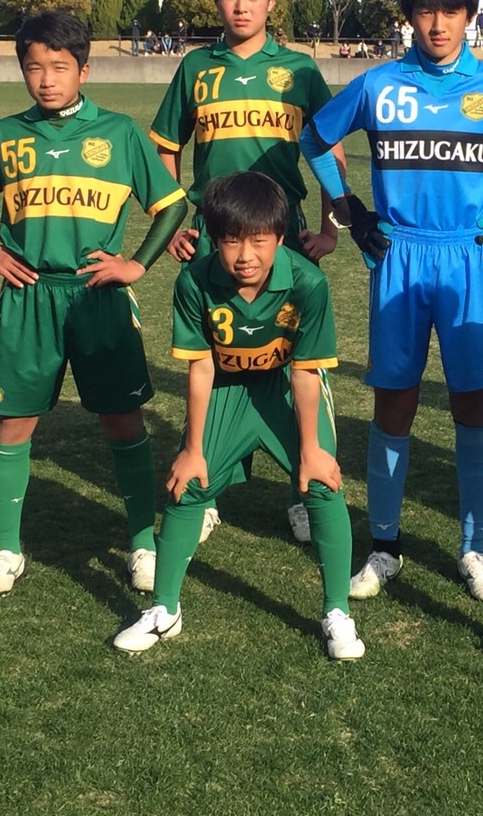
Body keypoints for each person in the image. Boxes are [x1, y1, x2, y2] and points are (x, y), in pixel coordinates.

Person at [299, 0, 483, 602]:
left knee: (472, 404)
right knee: (394, 402)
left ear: (470, 16)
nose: (438, 24)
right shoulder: (378, 85)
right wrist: (348, 209)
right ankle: (385, 546)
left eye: (452, 11)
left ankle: (474, 549)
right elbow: (313, 139)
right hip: (400, 254)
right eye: (425, 11)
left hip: (471, 258)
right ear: (409, 17)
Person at [0, 11, 188, 599]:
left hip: (98, 296)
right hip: (29, 296)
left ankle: (142, 544)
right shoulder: (7, 135)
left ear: (84, 69)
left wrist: (137, 264)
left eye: (59, 67)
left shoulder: (119, 133)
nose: (47, 79)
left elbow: (172, 205)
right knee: (12, 423)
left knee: (122, 419)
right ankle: (7, 551)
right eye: (34, 67)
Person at [112, 172, 364, 661]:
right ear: (213, 237)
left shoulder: (308, 282)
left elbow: (306, 372)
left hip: (284, 386)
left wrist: (312, 449)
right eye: (231, 240)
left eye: (259, 240)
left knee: (322, 483)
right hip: (227, 386)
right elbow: (202, 365)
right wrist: (191, 448)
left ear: (281, 237)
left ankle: (337, 612)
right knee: (188, 483)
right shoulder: (195, 279)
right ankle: (165, 609)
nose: (245, 255)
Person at [149, 0, 345, 544]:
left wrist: (331, 227)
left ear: (271, 2)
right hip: (216, 234)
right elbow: (165, 149)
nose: (241, 6)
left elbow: (331, 149)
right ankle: (208, 483)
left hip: (281, 235)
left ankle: (302, 486)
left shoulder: (300, 70)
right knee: (216, 356)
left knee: (292, 358)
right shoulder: (195, 68)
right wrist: (176, 222)